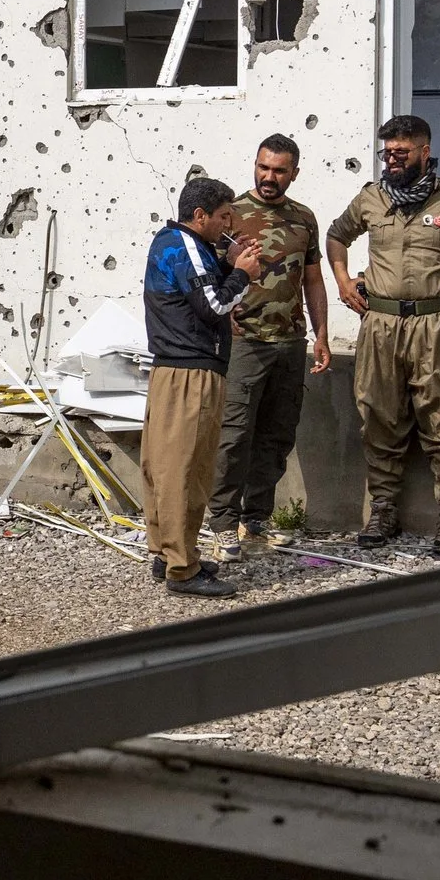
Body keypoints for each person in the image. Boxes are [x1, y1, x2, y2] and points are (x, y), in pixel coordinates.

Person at [324, 115, 440, 558]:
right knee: (378, 416)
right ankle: (384, 510)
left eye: (401, 153)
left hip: (436, 326)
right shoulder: (372, 199)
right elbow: (337, 236)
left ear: (424, 152)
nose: (391, 160)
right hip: (380, 325)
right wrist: (342, 280)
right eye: (386, 153)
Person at [142, 176, 266, 597]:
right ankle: (183, 569)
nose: (229, 224)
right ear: (200, 216)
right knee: (186, 471)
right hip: (191, 375)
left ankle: (169, 553)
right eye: (225, 216)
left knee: (165, 467)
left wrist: (229, 264)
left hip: (170, 372)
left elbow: (201, 294)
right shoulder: (187, 246)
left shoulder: (175, 244)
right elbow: (213, 305)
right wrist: (243, 274)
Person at [208, 135, 331, 547]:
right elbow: (207, 277)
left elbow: (312, 279)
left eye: (279, 170)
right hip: (243, 341)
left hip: (290, 342)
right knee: (234, 436)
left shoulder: (304, 218)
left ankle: (255, 520)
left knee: (277, 435)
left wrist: (322, 335)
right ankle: (222, 523)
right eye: (263, 167)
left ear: (294, 173)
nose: (269, 177)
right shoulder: (231, 215)